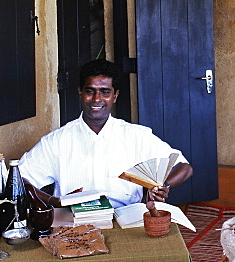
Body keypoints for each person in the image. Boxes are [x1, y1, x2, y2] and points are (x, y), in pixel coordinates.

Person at [18, 59, 192, 208]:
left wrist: (163, 186)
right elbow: (19, 177)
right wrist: (52, 201)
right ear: (80, 92)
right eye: (90, 91)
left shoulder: (137, 136)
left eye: (105, 92)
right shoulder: (57, 141)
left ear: (115, 96)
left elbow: (184, 167)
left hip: (127, 219)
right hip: (75, 221)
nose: (96, 99)